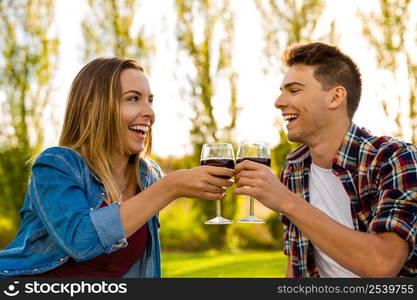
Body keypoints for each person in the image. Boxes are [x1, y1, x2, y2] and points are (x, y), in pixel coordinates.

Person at [0, 57, 234, 277]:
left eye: (150, 100)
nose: (150, 113)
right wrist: (170, 187)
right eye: (133, 99)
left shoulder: (148, 175)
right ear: (94, 107)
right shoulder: (58, 165)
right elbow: (81, 241)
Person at [234, 42, 417, 277]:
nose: (279, 102)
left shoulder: (394, 158)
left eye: (294, 90)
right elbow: (296, 265)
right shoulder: (295, 168)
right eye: (282, 90)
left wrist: (286, 202)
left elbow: (382, 264)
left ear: (335, 97)